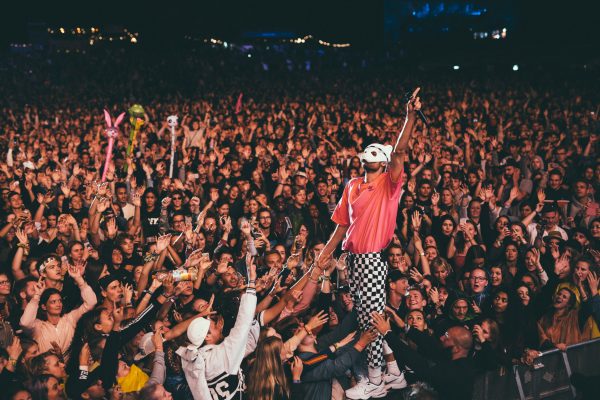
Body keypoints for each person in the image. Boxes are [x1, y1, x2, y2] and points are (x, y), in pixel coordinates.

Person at [316, 88, 423, 398]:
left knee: (373, 319)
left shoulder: (389, 184)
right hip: (353, 259)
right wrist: (323, 255)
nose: (372, 153)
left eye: (380, 152)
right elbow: (341, 225)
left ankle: (375, 379)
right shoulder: (351, 185)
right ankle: (391, 371)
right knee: (365, 316)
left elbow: (401, 151)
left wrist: (410, 116)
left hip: (373, 258)